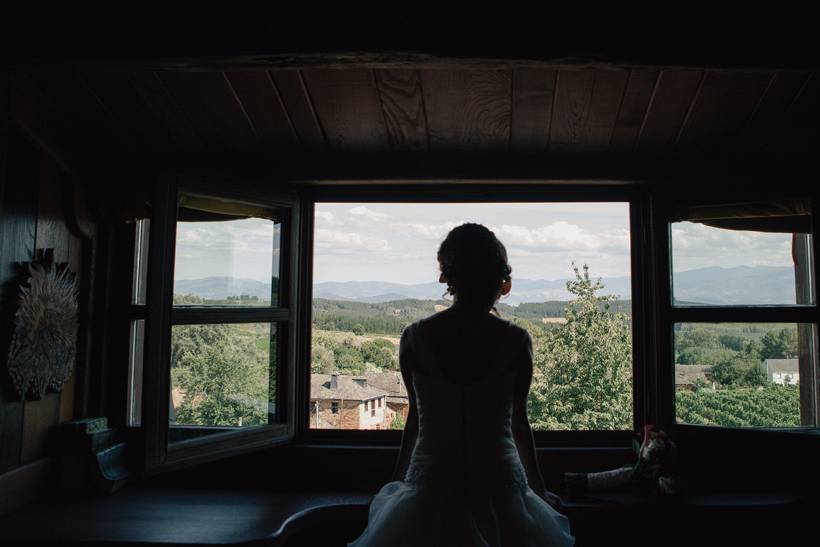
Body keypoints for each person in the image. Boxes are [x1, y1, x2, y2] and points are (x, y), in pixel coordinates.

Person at [348, 223, 575, 547]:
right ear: (501, 282)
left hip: (430, 490)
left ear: (448, 277)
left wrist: (395, 484)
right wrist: (538, 491)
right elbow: (519, 425)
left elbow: (416, 420)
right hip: (502, 491)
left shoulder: (415, 338)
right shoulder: (516, 341)